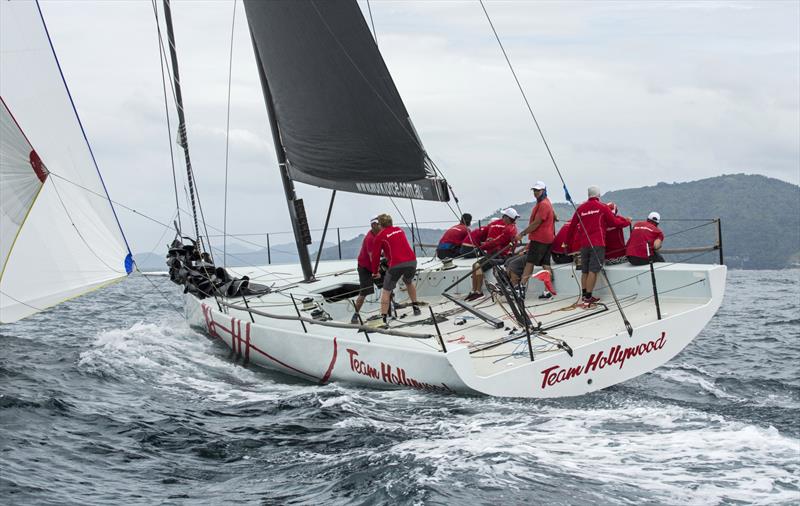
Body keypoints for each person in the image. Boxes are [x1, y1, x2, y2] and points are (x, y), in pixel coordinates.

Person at [563, 186, 631, 306]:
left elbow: (572, 228)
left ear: (588, 195)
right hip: (597, 243)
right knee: (593, 271)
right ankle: (588, 298)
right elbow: (614, 222)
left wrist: (567, 244)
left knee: (585, 271)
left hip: (584, 245)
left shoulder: (580, 209)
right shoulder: (602, 207)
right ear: (598, 195)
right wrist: (627, 222)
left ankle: (584, 295)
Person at [370, 214, 421, 324]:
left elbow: (375, 257)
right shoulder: (399, 230)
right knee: (408, 281)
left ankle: (383, 318)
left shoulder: (380, 236)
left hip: (396, 264)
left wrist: (375, 272)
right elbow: (396, 244)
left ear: (380, 224)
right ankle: (416, 307)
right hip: (412, 261)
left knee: (386, 290)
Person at [465, 208, 519, 301]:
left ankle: (478, 292)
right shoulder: (511, 228)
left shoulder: (508, 230)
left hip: (501, 255)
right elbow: (499, 241)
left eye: (503, 216)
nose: (502, 218)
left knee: (477, 265)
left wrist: (480, 248)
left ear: (507, 218)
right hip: (499, 253)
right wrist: (491, 242)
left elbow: (497, 242)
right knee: (475, 265)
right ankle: (474, 291)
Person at [515, 181, 556, 299]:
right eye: (534, 190)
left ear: (544, 191)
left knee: (529, 263)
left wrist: (522, 233)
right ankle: (548, 290)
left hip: (539, 239)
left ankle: (521, 288)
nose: (535, 193)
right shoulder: (547, 203)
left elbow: (537, 223)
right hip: (548, 239)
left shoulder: (543, 204)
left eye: (538, 190)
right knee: (545, 264)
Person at [351, 215, 381, 324]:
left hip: (373, 265)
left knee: (386, 283)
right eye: (378, 224)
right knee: (364, 292)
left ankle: (392, 304)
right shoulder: (370, 239)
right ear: (373, 225)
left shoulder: (378, 234)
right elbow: (372, 256)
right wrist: (376, 272)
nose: (380, 226)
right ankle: (355, 315)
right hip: (365, 267)